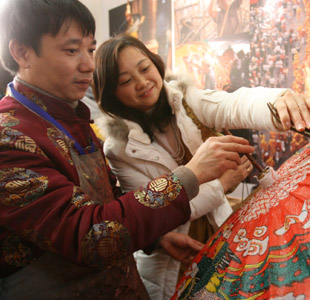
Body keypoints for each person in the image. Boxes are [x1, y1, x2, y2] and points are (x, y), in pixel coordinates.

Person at [0, 1, 256, 299]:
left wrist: (157, 239)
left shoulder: (70, 117)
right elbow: (87, 235)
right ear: (22, 52)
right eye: (72, 50)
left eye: (90, 49)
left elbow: (107, 199)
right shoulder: (10, 138)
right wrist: (191, 174)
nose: (88, 65)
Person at [92, 34, 310, 300]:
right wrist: (220, 184)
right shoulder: (119, 149)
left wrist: (277, 101)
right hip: (172, 264)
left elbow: (233, 105)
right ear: (112, 93)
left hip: (220, 234)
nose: (143, 82)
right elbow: (154, 216)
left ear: (156, 64)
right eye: (126, 81)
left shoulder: (186, 101)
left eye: (145, 69)